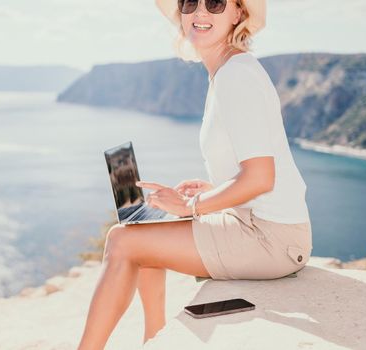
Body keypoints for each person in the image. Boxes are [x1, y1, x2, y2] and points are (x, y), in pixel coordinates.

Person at [77, 1, 313, 349]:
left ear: (237, 13)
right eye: (191, 2)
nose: (201, 12)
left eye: (216, 3)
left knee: (122, 240)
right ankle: (154, 338)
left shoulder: (236, 75)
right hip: (260, 225)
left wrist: (193, 206)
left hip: (272, 239)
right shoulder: (227, 71)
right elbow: (253, 175)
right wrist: (211, 190)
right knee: (142, 228)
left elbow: (262, 177)